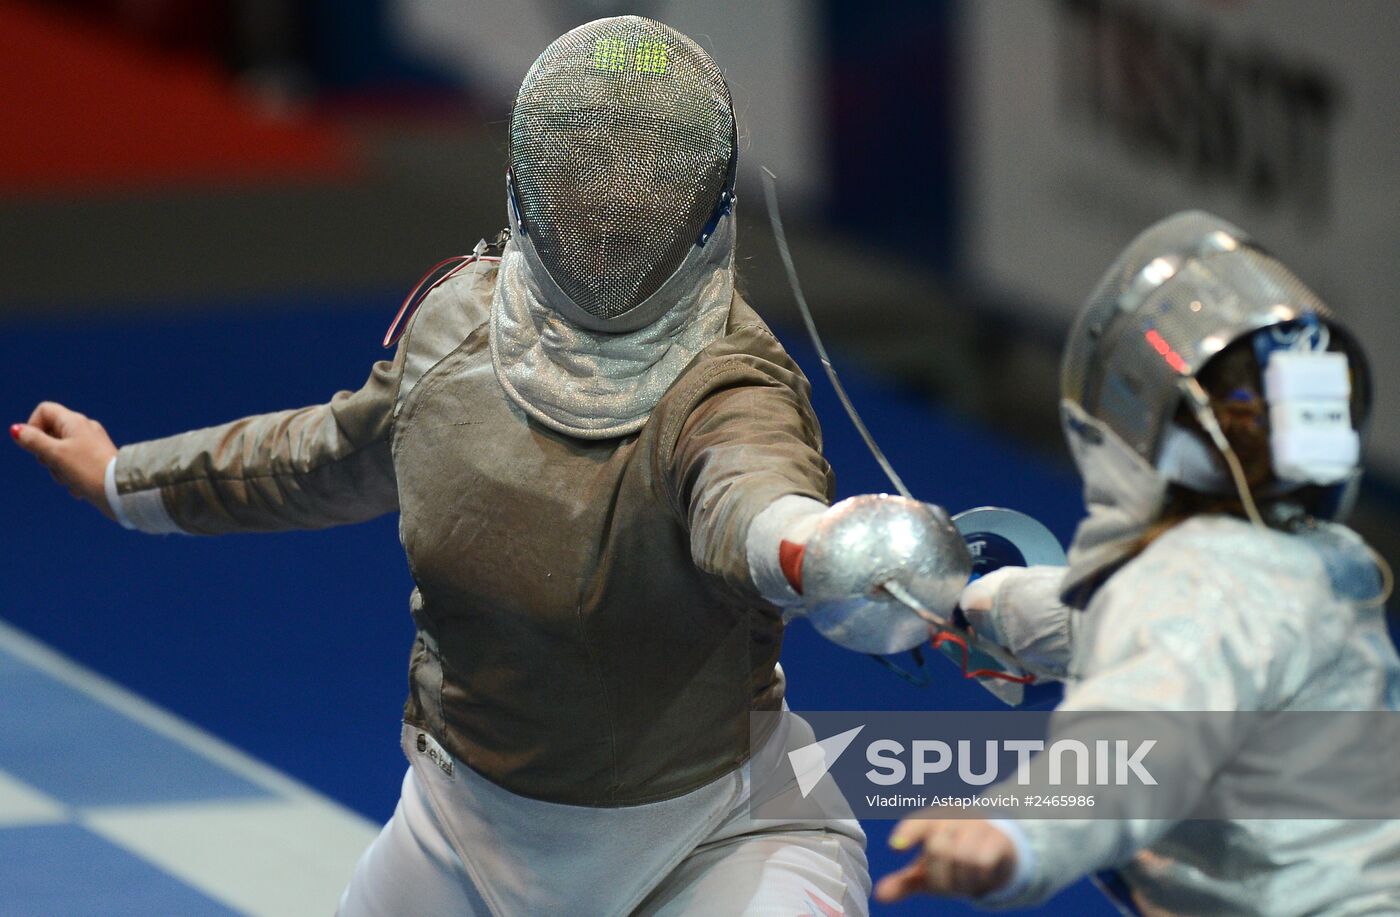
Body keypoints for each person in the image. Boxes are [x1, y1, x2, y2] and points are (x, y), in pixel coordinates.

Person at [12, 15, 980, 915]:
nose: (610, 210)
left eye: (644, 180)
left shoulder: (729, 383)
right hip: (460, 828)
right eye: (586, 175)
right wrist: (124, 478)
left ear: (700, 199)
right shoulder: (458, 324)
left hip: (712, 842)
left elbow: (750, 499)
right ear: (530, 180)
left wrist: (810, 545)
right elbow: (329, 454)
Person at [874, 211, 1400, 914]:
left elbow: (1149, 729)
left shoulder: (1205, 584)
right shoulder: (1307, 561)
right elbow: (1162, 639)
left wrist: (1019, 830)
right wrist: (982, 602)